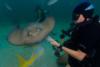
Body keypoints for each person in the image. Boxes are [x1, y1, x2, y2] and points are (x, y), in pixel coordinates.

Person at [50, 2, 100, 67]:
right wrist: (60, 48)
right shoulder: (80, 25)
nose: (73, 19)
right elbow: (73, 41)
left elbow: (80, 56)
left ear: (85, 15)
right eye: (73, 16)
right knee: (59, 61)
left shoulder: (93, 30)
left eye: (76, 16)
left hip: (89, 61)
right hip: (79, 53)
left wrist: (60, 46)